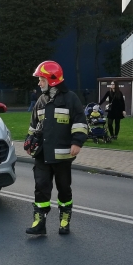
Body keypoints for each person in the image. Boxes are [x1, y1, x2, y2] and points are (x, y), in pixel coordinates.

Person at [24, 61, 87, 236]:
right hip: (42, 154)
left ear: (52, 80)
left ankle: (64, 220)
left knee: (64, 189)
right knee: (41, 187)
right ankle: (39, 222)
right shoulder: (41, 100)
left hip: (62, 156)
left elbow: (80, 123)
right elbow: (33, 125)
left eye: (41, 79)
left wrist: (77, 142)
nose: (39, 83)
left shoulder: (70, 99)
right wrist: (29, 141)